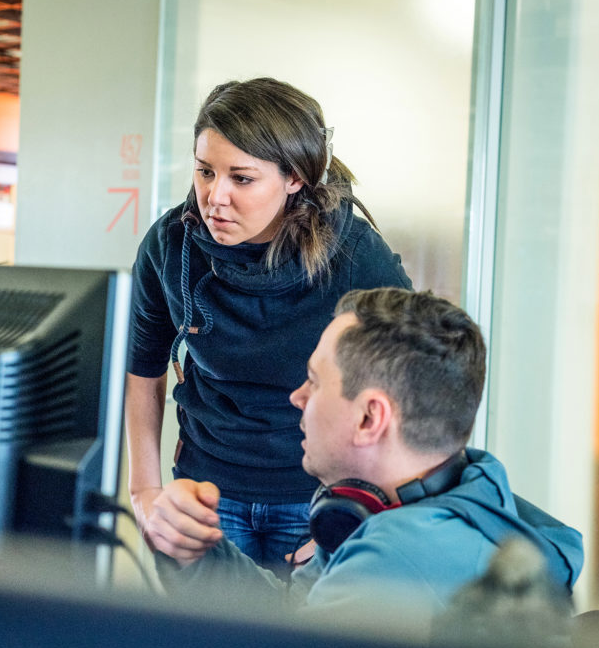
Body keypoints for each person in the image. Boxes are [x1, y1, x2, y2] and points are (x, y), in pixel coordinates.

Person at [144, 288, 584, 636]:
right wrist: (195, 552)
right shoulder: (464, 494)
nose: (297, 398)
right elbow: (291, 615)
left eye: (314, 382)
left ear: (370, 418)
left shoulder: (395, 555)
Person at [125, 78, 412, 571]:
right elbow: (143, 372)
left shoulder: (355, 255)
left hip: (314, 497)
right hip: (204, 491)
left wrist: (369, 505)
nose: (214, 197)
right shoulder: (170, 245)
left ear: (294, 177)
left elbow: (413, 386)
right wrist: (145, 493)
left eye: (241, 179)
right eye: (205, 171)